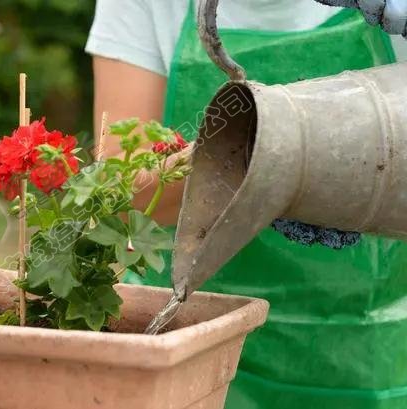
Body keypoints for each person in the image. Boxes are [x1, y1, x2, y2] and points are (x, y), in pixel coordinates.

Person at [86, 1, 407, 408]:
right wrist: (262, 148)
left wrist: (344, 162)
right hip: (190, 347)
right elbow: (122, 196)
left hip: (365, 356)